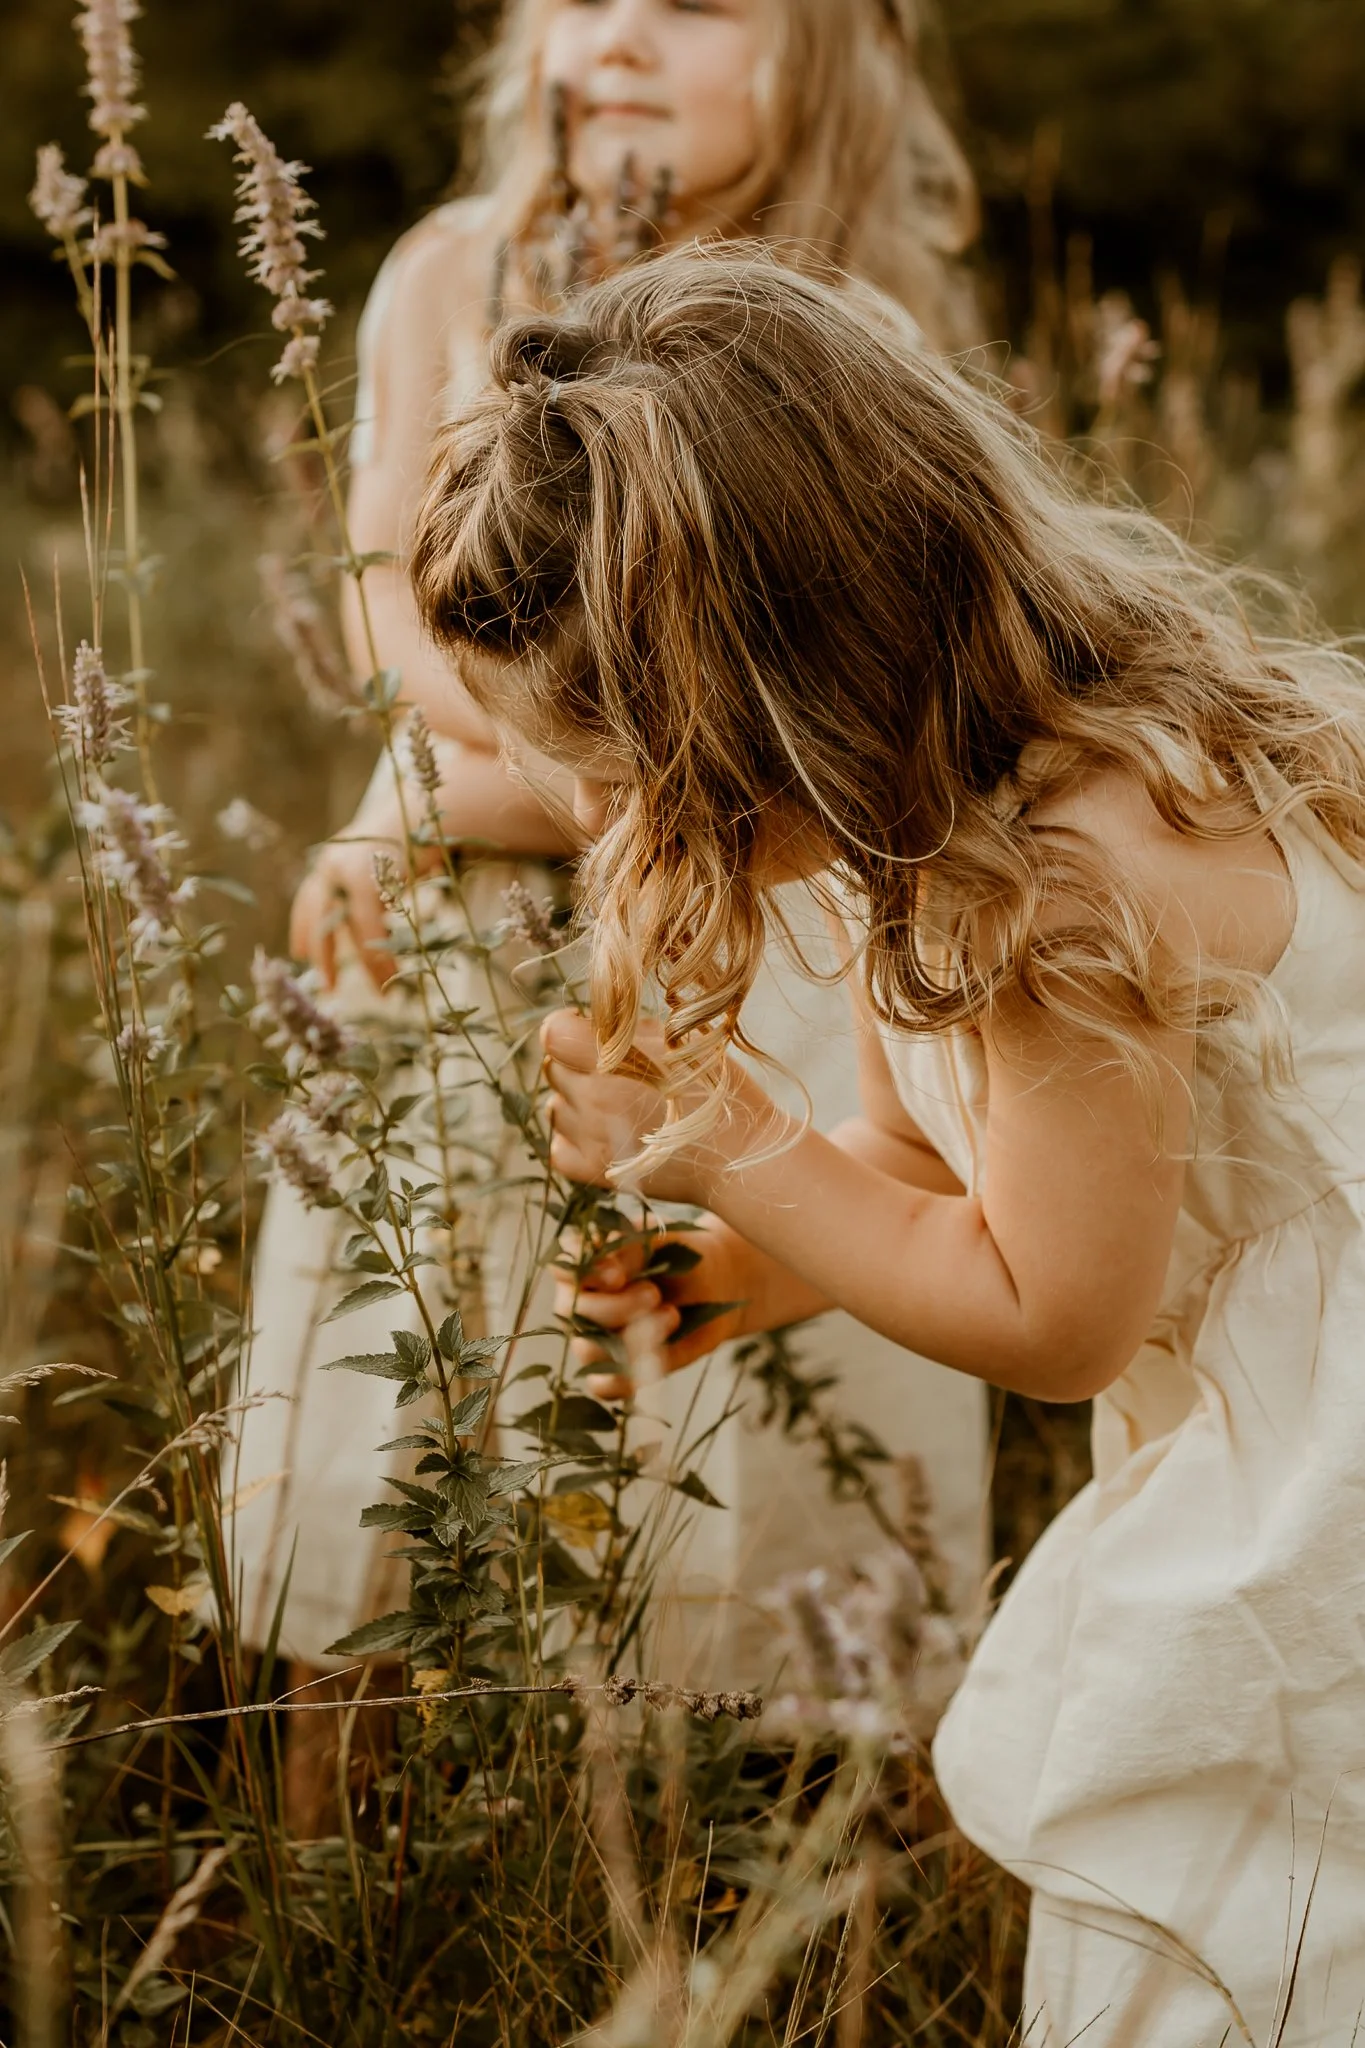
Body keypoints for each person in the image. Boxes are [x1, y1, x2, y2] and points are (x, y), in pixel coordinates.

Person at [408, 241, 1365, 2044]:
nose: (618, 835)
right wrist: (751, 1263)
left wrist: (726, 1140)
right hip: (1285, 1425)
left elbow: (1060, 1316)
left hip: (1326, 1493)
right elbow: (929, 1167)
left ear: (775, 699)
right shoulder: (949, 809)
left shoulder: (1057, 891)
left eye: (636, 784)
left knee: (1256, 1949)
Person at [231, 0, 990, 1720]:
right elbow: (382, 596)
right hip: (477, 914)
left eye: (701, 6)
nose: (624, 36)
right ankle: (364, 1841)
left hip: (735, 903)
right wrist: (446, 790)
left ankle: (713, 1853)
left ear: (824, 58)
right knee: (410, 1365)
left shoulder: (832, 328)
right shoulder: (449, 269)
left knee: (696, 1385)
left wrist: (434, 796)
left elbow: (764, 717)